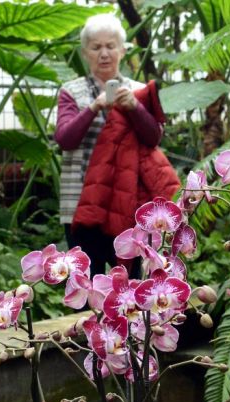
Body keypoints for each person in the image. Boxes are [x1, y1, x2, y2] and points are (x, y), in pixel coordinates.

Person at [54, 14, 179, 277]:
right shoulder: (70, 91)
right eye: (96, 47)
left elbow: (153, 138)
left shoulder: (139, 91)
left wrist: (134, 107)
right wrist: (94, 106)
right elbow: (65, 139)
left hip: (128, 202)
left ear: (122, 50)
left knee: (132, 283)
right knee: (85, 283)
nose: (104, 54)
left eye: (110, 46)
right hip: (79, 204)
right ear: (85, 52)